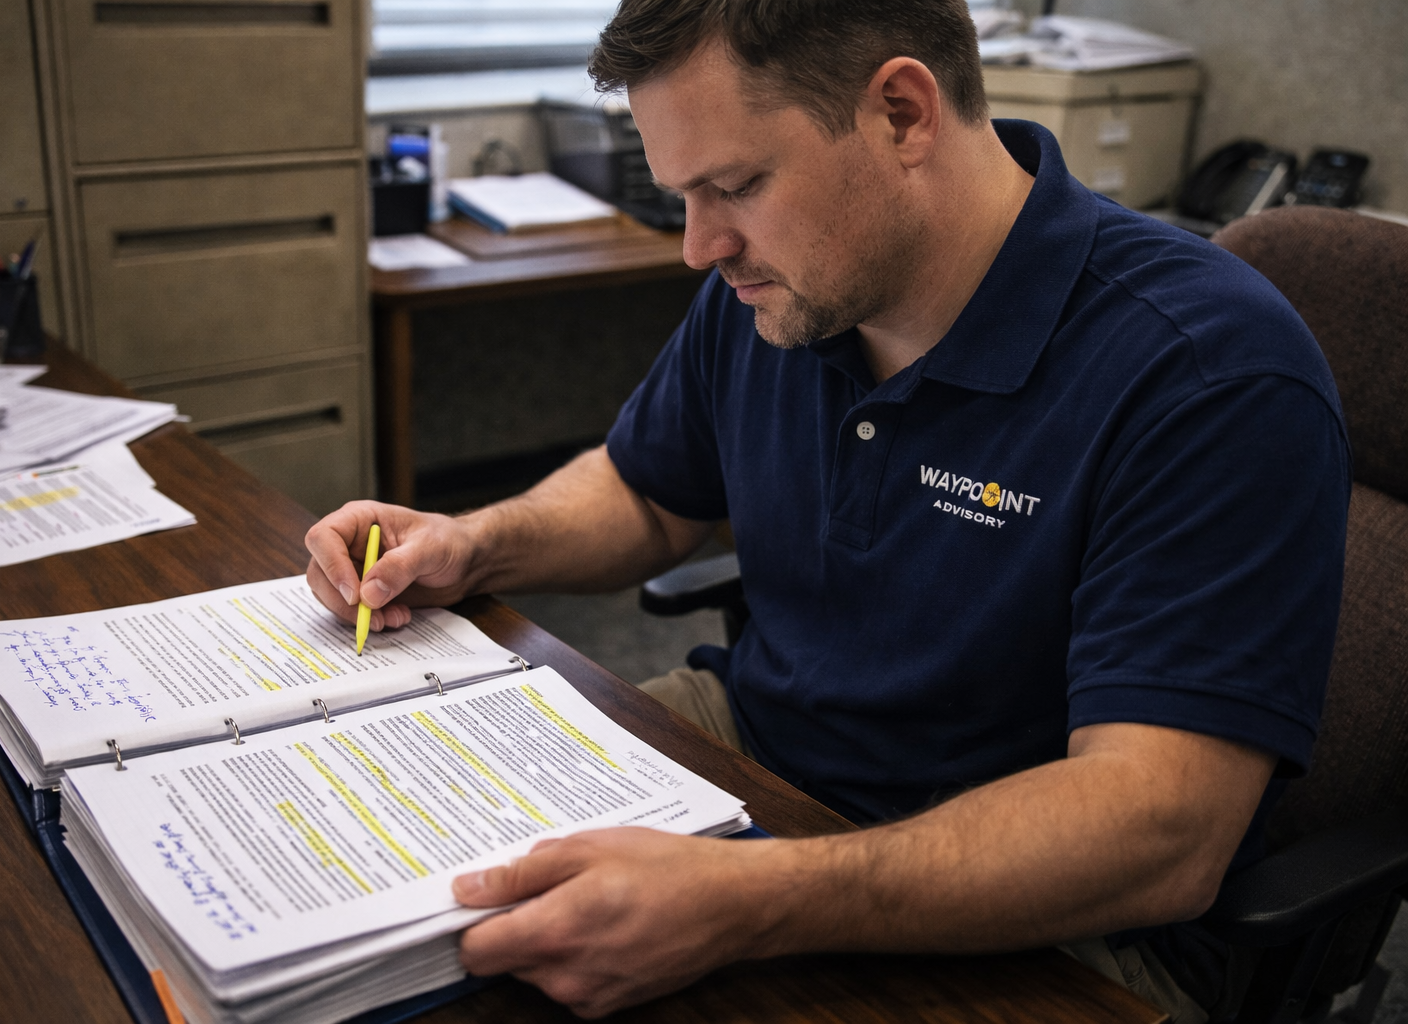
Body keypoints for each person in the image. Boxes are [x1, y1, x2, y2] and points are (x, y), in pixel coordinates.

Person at [306, 1, 1350, 1019]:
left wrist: (753, 900)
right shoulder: (778, 288)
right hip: (755, 751)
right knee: (391, 896)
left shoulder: (1208, 372)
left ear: (901, 113)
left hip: (1058, 917)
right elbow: (646, 490)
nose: (698, 246)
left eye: (735, 185)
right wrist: (478, 541)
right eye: (684, 195)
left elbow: (1158, 830)